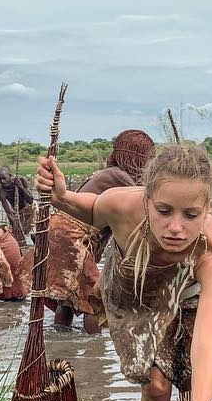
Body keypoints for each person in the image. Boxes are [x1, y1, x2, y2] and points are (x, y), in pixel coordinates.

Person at [36, 143, 212, 401]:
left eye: (191, 215)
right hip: (136, 287)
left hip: (193, 295)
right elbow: (93, 208)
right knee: (155, 386)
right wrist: (61, 197)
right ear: (147, 200)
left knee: (197, 383)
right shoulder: (122, 205)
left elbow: (206, 343)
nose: (176, 228)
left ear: (207, 210)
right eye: (164, 211)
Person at [18, 129, 156, 334]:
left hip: (61, 232)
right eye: (148, 159)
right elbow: (144, 202)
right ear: (137, 157)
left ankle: (63, 339)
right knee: (93, 299)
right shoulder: (119, 177)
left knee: (68, 299)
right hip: (71, 235)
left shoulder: (109, 173)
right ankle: (94, 347)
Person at [0, 167, 36, 245]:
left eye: (4, 178)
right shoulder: (1, 192)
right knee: (16, 236)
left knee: (34, 236)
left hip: (30, 209)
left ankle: (37, 248)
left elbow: (30, 200)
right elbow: (9, 213)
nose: (2, 181)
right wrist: (15, 225)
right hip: (18, 214)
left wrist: (21, 187)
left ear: (9, 175)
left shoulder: (21, 180)